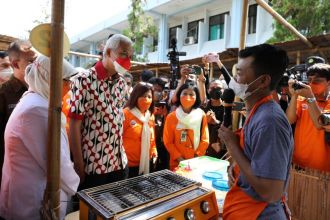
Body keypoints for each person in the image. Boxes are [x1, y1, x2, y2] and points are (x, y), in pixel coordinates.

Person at [218, 44, 293, 219]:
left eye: (240, 73)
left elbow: (271, 192)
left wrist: (232, 145)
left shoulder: (270, 121)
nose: (234, 79)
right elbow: (254, 159)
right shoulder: (256, 111)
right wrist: (237, 168)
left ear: (263, 81)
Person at [0, 55, 79, 220]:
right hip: (32, 202)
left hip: (27, 195)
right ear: (49, 79)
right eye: (66, 81)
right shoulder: (38, 110)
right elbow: (57, 163)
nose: (69, 87)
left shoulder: (35, 101)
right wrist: (75, 186)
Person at [68, 34, 133, 189]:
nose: (127, 60)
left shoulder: (122, 84)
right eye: (123, 54)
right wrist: (78, 164)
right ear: (109, 52)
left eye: (130, 56)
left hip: (120, 163)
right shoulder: (83, 80)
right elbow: (74, 124)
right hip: (94, 166)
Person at [0, 40, 37, 189]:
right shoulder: (4, 94)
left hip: (35, 170)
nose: (37, 65)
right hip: (10, 173)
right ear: (15, 64)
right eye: (32, 61)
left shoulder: (39, 90)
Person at [286, 63, 330, 172]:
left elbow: (320, 124)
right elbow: (289, 120)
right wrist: (294, 95)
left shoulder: (310, 98)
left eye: (317, 81)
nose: (311, 84)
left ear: (329, 82)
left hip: (322, 169)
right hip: (298, 163)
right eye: (309, 80)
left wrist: (310, 97)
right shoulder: (302, 99)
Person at [163, 83, 209, 170]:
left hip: (196, 162)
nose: (188, 97)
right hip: (177, 164)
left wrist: (195, 157)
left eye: (191, 94)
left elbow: (205, 140)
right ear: (179, 95)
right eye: (184, 93)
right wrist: (180, 160)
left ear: (197, 97)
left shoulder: (201, 115)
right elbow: (168, 142)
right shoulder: (171, 117)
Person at [123, 82, 157, 177]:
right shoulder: (126, 114)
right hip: (128, 166)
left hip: (147, 162)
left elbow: (152, 138)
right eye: (142, 96)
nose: (146, 99)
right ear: (135, 96)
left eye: (149, 96)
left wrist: (154, 151)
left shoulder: (150, 116)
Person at [149, 77, 170, 170]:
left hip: (162, 145)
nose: (157, 92)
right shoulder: (145, 104)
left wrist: (165, 115)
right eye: (155, 90)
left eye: (159, 90)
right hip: (149, 145)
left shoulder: (165, 105)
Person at [201, 79, 225, 158]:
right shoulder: (204, 107)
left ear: (223, 90)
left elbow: (232, 127)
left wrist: (216, 122)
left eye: (218, 88)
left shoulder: (228, 108)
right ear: (208, 91)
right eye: (212, 88)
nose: (215, 90)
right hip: (204, 149)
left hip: (221, 151)